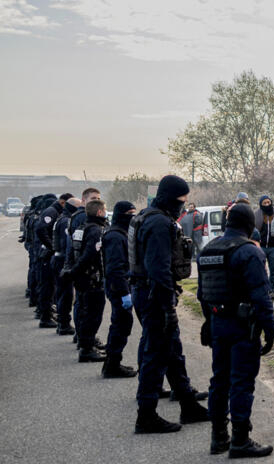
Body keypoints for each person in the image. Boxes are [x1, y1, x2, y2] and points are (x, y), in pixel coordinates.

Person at [198, 203, 274, 456]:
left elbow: (202, 293)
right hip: (243, 325)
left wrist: (207, 322)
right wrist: (270, 329)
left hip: (217, 321)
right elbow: (262, 296)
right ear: (249, 225)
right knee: (241, 382)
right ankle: (240, 439)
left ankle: (218, 436)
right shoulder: (249, 253)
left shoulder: (208, 249)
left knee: (219, 380)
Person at [131, 175, 208, 434]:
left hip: (151, 293)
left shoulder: (150, 217)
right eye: (181, 201)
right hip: (155, 296)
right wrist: (166, 306)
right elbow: (159, 269)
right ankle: (146, 415)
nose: (183, 206)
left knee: (172, 351)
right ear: (170, 198)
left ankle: (188, 404)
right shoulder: (158, 223)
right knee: (156, 354)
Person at [69, 199, 109, 362]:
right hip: (92, 278)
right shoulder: (95, 230)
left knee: (86, 312)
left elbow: (73, 250)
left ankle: (88, 344)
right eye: (105, 210)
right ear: (99, 212)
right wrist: (77, 270)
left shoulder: (81, 227)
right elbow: (90, 255)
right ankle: (87, 349)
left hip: (82, 277)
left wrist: (72, 271)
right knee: (93, 314)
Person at [102, 201, 138, 378]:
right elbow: (116, 268)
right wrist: (124, 293)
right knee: (120, 325)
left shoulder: (120, 233)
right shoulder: (115, 236)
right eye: (130, 213)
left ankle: (112, 363)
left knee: (121, 324)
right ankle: (112, 364)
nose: (133, 216)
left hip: (119, 285)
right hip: (118, 287)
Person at [34, 193, 68, 328]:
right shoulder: (51, 211)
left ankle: (47, 314)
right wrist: (51, 246)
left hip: (48, 253)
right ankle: (45, 317)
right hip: (46, 254)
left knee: (50, 287)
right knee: (46, 287)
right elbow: (41, 229)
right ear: (62, 202)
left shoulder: (55, 211)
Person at [52, 197, 80, 336]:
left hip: (60, 259)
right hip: (61, 260)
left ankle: (62, 323)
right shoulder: (65, 221)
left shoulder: (63, 218)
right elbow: (66, 244)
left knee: (64, 293)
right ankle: (63, 324)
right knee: (65, 294)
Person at [257, 195, 274, 288]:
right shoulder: (257, 214)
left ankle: (272, 288)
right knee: (260, 269)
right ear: (261, 204)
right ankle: (262, 287)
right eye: (265, 203)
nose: (267, 204)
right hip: (261, 246)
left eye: (268, 202)